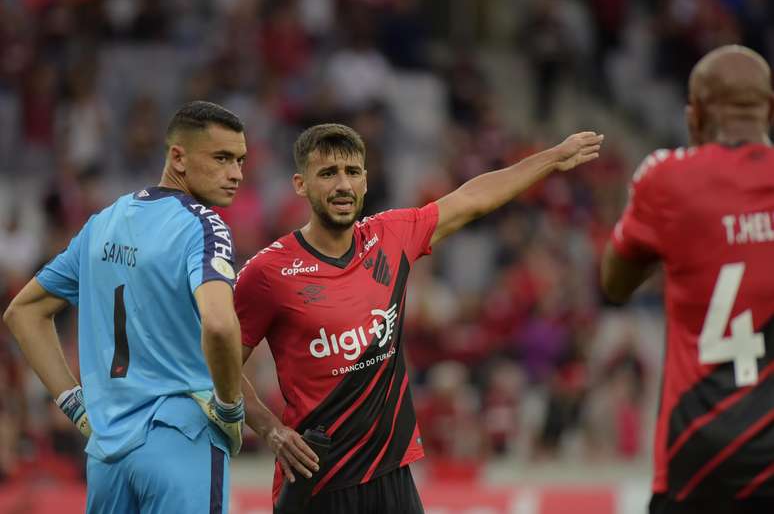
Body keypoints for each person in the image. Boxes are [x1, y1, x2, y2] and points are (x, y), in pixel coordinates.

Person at [235, 123, 603, 513]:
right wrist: (270, 428)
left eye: (352, 172)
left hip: (392, 477)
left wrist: (553, 157)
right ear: (300, 184)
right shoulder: (268, 273)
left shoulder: (390, 237)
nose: (342, 185)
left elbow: (472, 199)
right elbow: (215, 361)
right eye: (328, 173)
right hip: (318, 482)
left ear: (364, 181)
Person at [3, 101, 249, 513]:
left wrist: (75, 405)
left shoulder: (103, 222)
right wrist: (229, 407)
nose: (237, 174)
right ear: (178, 157)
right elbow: (221, 325)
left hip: (107, 452)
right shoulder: (204, 224)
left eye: (241, 160)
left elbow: (23, 313)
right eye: (222, 158)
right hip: (180, 438)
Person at [601, 45, 774, 514]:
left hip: (697, 458)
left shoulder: (668, 179)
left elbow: (614, 283)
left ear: (694, 116)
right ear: (769, 109)